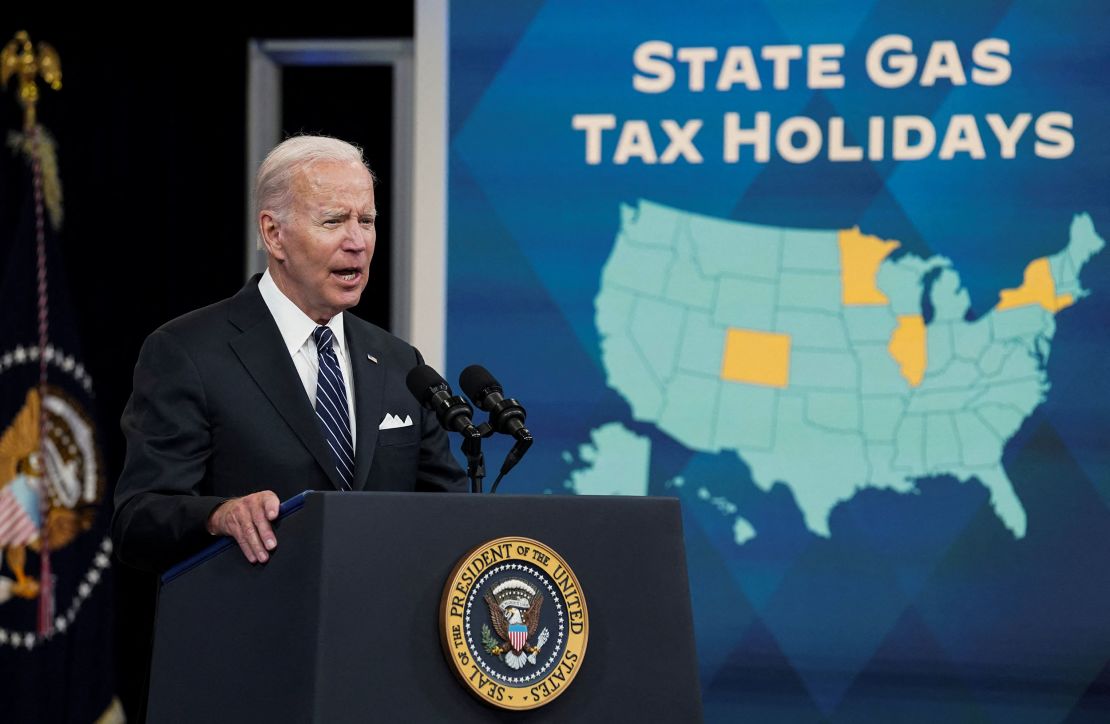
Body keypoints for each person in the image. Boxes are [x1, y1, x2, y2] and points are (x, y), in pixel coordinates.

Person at [111, 135, 467, 572]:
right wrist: (217, 516)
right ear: (274, 234)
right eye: (334, 221)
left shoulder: (399, 363)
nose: (357, 241)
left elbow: (453, 515)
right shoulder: (188, 352)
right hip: (256, 626)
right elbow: (138, 518)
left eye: (367, 220)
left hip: (377, 630)